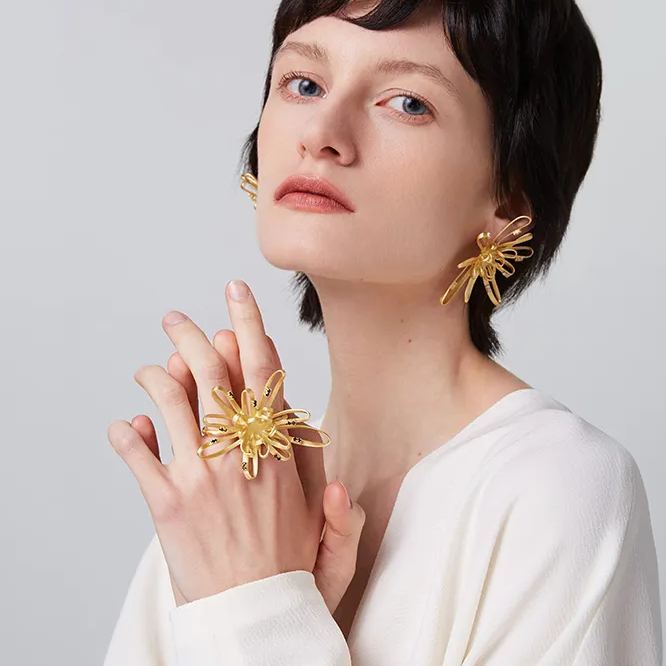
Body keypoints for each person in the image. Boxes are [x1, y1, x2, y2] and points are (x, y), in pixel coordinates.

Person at [103, 1, 663, 664]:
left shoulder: (559, 488)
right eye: (304, 84)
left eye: (407, 103)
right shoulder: (231, 493)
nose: (322, 133)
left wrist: (254, 609)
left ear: (508, 200)